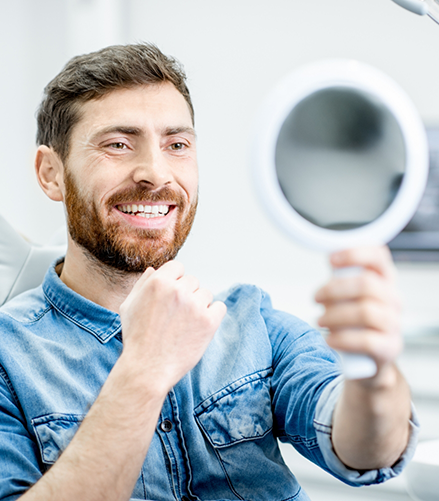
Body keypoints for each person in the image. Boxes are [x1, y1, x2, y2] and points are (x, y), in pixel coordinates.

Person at [0, 43, 418, 501]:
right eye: (118, 144)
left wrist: (374, 376)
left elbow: (367, 451)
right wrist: (144, 369)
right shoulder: (9, 358)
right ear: (50, 174)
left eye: (176, 145)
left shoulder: (251, 322)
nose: (155, 173)